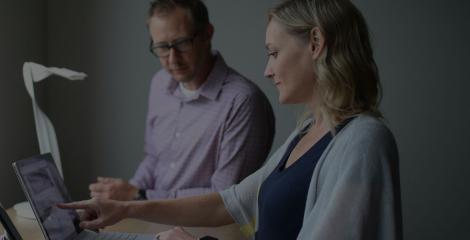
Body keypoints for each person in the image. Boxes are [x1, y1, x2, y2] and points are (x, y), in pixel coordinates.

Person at [60, 0, 403, 239]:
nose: (267, 70)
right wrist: (124, 208)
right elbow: (233, 201)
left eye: (274, 52)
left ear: (315, 42)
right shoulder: (306, 132)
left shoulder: (363, 141)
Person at [88, 0, 275, 201]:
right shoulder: (160, 83)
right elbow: (153, 159)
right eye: (161, 47)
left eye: (182, 43)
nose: (172, 59)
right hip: (150, 217)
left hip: (203, 229)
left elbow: (224, 198)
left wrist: (140, 196)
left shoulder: (243, 101)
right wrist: (122, 196)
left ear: (207, 34)